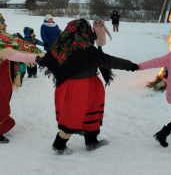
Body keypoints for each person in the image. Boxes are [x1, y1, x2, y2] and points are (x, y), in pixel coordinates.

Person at [38, 18, 138, 154]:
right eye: (88, 28)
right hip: (78, 89)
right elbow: (109, 61)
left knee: (91, 113)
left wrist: (38, 59)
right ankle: (58, 145)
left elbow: (47, 60)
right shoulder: (85, 49)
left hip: (83, 88)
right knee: (72, 117)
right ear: (82, 30)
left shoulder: (60, 45)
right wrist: (130, 65)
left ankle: (91, 142)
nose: (90, 30)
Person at [0, 13, 45, 143]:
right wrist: (36, 58)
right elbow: (13, 55)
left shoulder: (6, 38)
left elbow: (21, 46)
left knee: (4, 101)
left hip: (4, 78)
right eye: (3, 23)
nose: (6, 25)